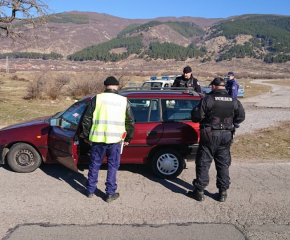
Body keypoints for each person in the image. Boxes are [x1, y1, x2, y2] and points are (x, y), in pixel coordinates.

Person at [188, 77, 245, 202]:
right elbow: (241, 117)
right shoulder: (233, 100)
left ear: (213, 86)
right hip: (226, 135)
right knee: (223, 163)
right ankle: (223, 193)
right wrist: (229, 123)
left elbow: (196, 116)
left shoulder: (208, 99)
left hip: (209, 134)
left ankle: (200, 191)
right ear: (224, 87)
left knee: (204, 162)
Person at [81, 76, 135, 203]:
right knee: (112, 166)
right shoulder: (124, 101)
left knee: (94, 164)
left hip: (98, 138)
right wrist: (128, 138)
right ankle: (110, 194)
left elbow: (86, 119)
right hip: (115, 140)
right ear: (117, 86)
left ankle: (90, 190)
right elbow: (130, 121)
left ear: (105, 86)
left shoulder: (97, 99)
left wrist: (87, 135)